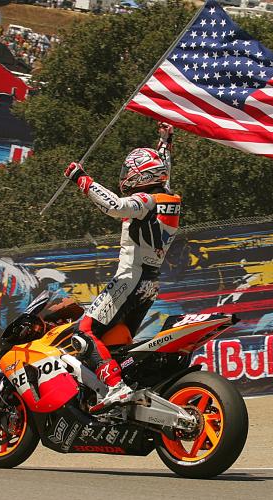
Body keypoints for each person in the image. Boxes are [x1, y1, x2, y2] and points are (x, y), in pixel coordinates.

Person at [62, 122, 180, 413]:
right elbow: (163, 167)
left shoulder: (145, 200)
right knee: (117, 343)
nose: (126, 177)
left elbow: (114, 205)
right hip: (150, 284)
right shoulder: (169, 197)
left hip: (130, 278)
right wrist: (165, 140)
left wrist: (82, 179)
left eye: (130, 171)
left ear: (142, 175)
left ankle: (115, 387)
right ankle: (120, 388)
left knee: (83, 331)